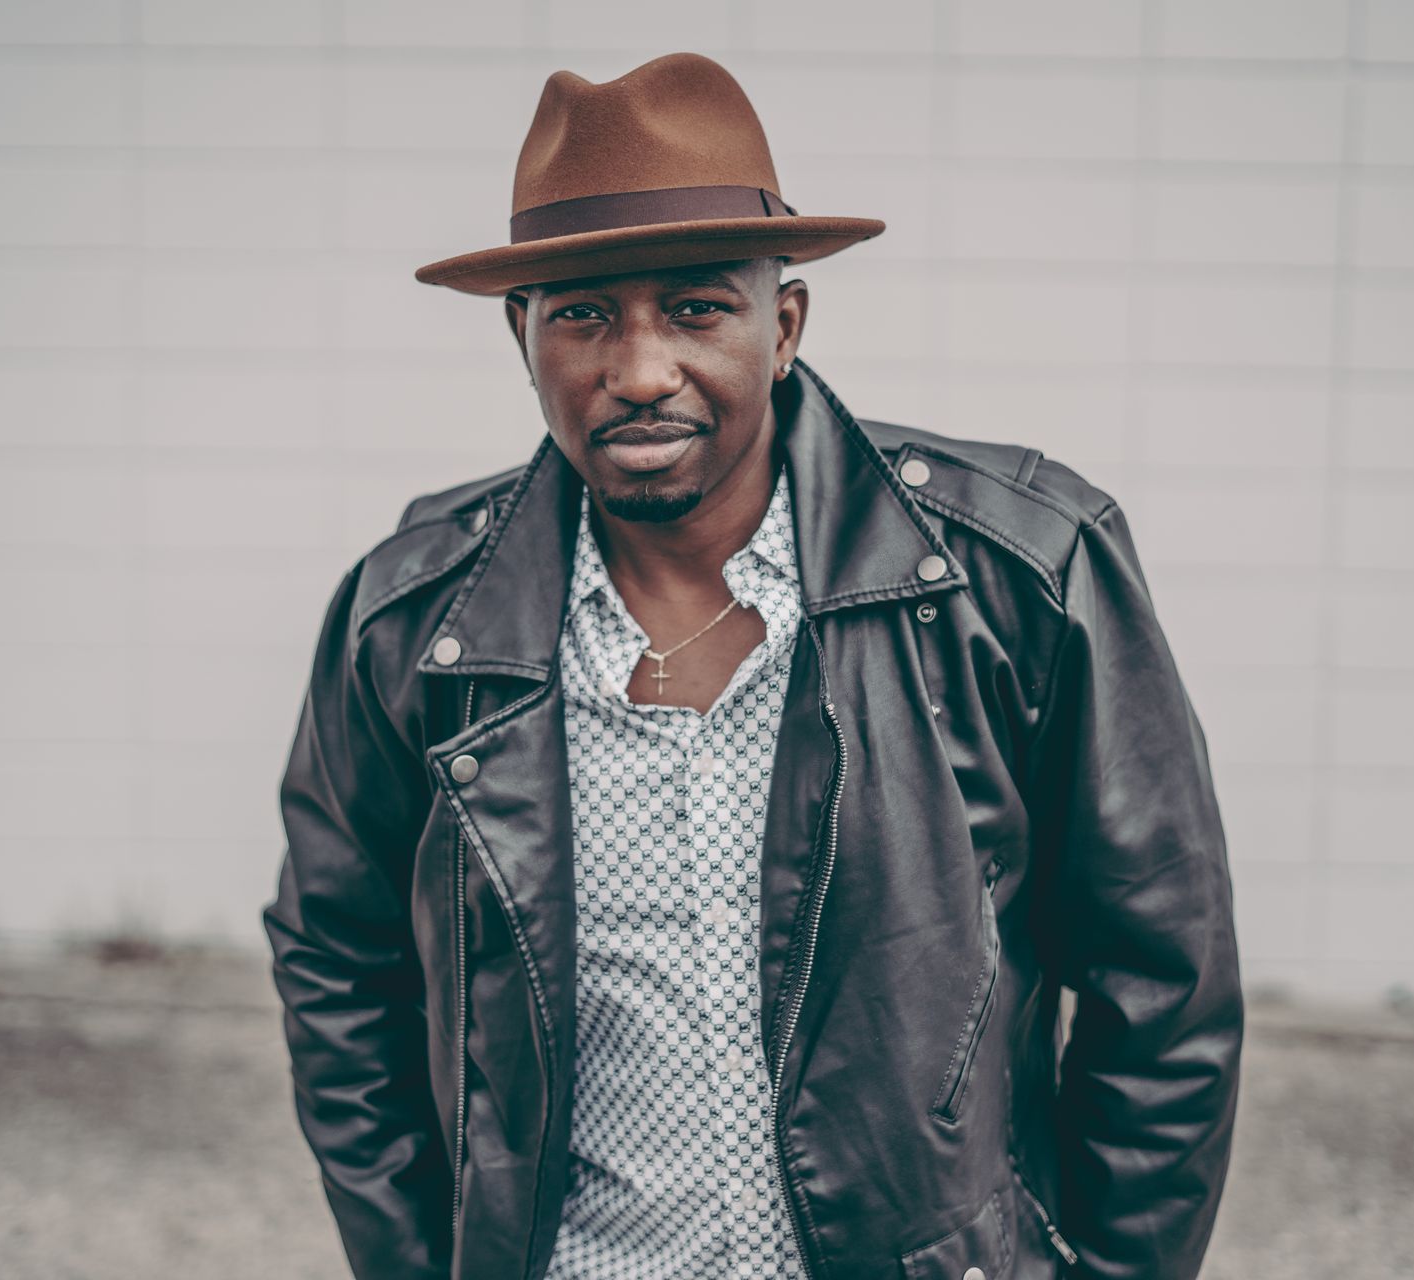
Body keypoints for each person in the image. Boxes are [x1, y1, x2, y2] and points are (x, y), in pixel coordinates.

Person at [263, 50, 1242, 1280]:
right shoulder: (411, 625)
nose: (640, 369)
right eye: (581, 312)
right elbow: (339, 964)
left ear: (782, 325)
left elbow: (1163, 975)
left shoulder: (1020, 574)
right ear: (523, 337)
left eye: (695, 305)